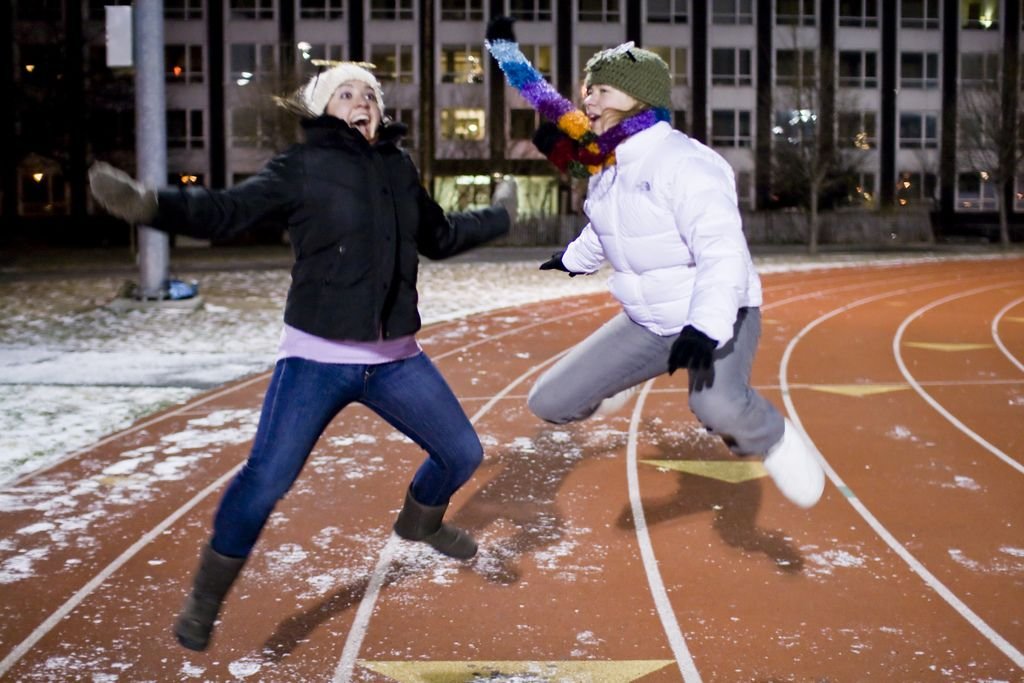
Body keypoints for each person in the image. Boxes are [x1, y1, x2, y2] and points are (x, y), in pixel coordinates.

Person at [89, 61, 517, 651]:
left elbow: (439, 237)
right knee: (266, 481)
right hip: (316, 360)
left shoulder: (397, 165)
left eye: (368, 92)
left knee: (462, 453)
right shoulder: (302, 167)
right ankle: (206, 597)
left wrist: (499, 215)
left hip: (394, 359)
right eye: (345, 92)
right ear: (323, 109)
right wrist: (149, 206)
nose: (360, 98)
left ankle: (421, 522)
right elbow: (227, 211)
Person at [485, 21, 824, 509]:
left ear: (636, 95)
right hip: (648, 322)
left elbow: (721, 253)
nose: (588, 102)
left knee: (714, 403)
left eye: (599, 90)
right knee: (549, 402)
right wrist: (571, 260)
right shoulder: (608, 167)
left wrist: (705, 328)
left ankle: (771, 436)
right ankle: (614, 385)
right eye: (588, 91)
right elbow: (609, 229)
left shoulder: (686, 162)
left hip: (718, 314)